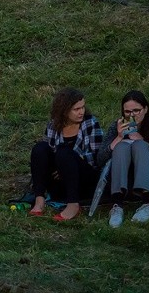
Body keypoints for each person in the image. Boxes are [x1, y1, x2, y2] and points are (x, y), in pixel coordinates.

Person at [97, 91, 149, 227]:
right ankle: (117, 205)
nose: (132, 115)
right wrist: (118, 138)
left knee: (140, 145)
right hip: (122, 182)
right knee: (122, 146)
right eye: (127, 111)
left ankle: (148, 203)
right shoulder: (116, 127)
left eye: (136, 110)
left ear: (146, 109)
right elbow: (100, 161)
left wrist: (145, 143)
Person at [29, 88, 103, 221]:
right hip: (58, 180)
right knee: (40, 148)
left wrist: (67, 163)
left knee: (64, 152)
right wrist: (59, 166)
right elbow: (47, 155)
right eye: (76, 109)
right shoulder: (53, 125)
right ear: (64, 110)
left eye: (82, 107)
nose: (81, 112)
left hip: (84, 179)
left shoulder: (90, 123)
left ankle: (73, 205)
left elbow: (97, 158)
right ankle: (39, 200)